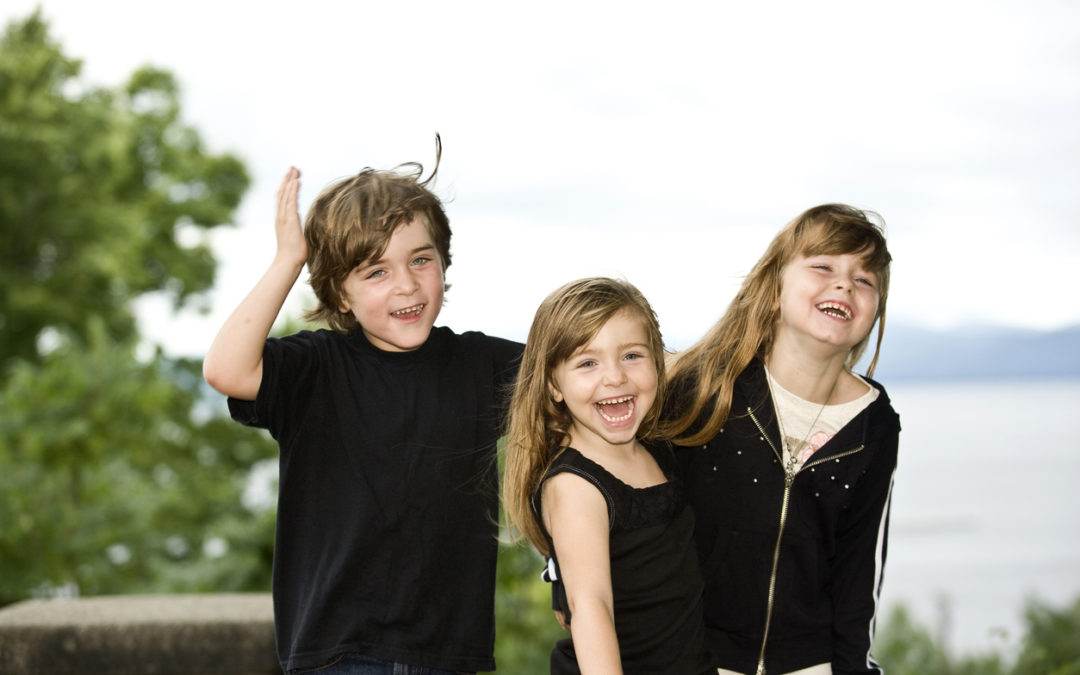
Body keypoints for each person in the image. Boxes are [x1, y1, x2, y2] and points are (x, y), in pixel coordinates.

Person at [202, 141, 523, 674]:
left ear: (443, 263)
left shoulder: (480, 364)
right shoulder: (316, 368)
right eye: (376, 272)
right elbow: (226, 370)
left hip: (450, 653)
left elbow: (576, 382)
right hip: (339, 652)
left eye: (421, 260)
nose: (406, 283)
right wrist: (289, 260)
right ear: (341, 294)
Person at [664, 204, 901, 675]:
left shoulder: (874, 424)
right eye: (823, 266)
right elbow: (623, 495)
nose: (844, 285)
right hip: (694, 657)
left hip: (810, 663)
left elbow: (860, 570)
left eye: (864, 279)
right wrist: (566, 575)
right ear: (774, 290)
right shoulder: (705, 388)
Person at [503, 277, 707, 674]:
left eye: (632, 355)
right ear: (553, 385)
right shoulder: (575, 486)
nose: (614, 376)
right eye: (587, 363)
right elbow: (589, 608)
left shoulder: (659, 449)